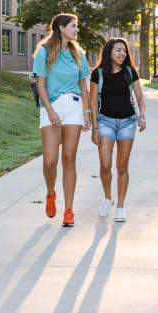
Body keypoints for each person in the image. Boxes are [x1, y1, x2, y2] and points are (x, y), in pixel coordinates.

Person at [33, 13, 91, 227]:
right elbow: (40, 84)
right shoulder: (44, 52)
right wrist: (50, 111)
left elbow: (84, 85)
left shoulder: (78, 54)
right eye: (73, 26)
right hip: (52, 107)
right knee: (50, 161)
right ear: (61, 28)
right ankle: (50, 193)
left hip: (74, 107)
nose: (77, 30)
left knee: (69, 158)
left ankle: (69, 210)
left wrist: (87, 113)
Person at [90, 38, 146, 222]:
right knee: (105, 164)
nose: (122, 54)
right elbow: (92, 102)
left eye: (124, 51)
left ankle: (121, 206)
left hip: (127, 122)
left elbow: (139, 95)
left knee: (122, 166)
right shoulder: (97, 74)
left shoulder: (130, 72)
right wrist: (95, 127)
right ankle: (108, 199)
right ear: (109, 52)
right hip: (105, 121)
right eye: (118, 50)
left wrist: (142, 115)